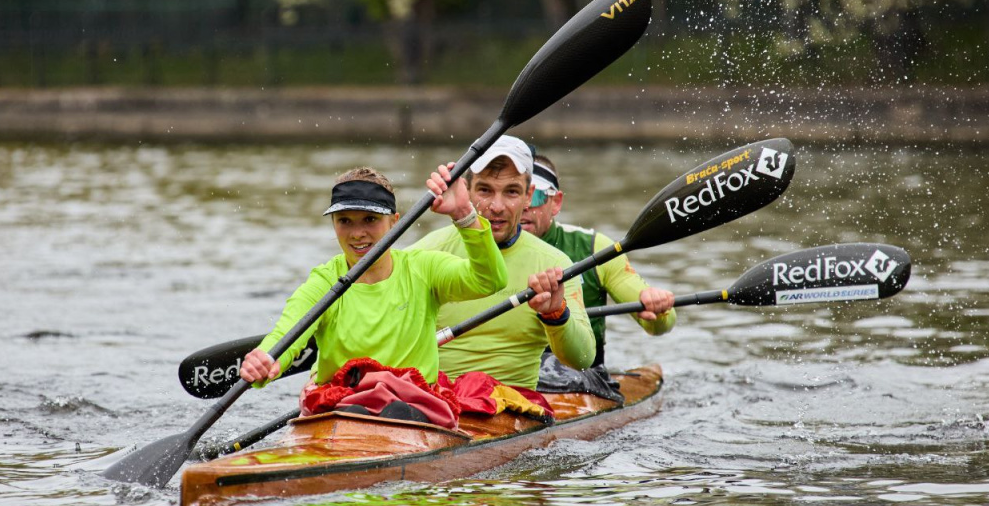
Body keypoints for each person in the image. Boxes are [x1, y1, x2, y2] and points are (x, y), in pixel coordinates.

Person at [239, 164, 508, 388]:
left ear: (395, 221)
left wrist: (463, 214)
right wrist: (268, 358)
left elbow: (490, 280)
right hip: (339, 406)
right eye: (345, 220)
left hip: (413, 405)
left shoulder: (424, 269)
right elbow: (288, 331)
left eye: (370, 219)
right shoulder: (324, 281)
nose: (357, 234)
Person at [411, 136, 596, 390]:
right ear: (466, 189)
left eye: (511, 192)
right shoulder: (427, 252)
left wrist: (556, 314)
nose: (496, 207)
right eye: (485, 190)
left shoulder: (554, 264)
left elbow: (583, 359)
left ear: (529, 195)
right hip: (437, 404)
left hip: (514, 409)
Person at [521, 152, 676, 367]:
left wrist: (658, 309)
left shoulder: (596, 249)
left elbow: (658, 326)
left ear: (555, 202)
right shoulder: (476, 250)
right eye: (513, 194)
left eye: (534, 196)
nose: (523, 206)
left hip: (581, 377)